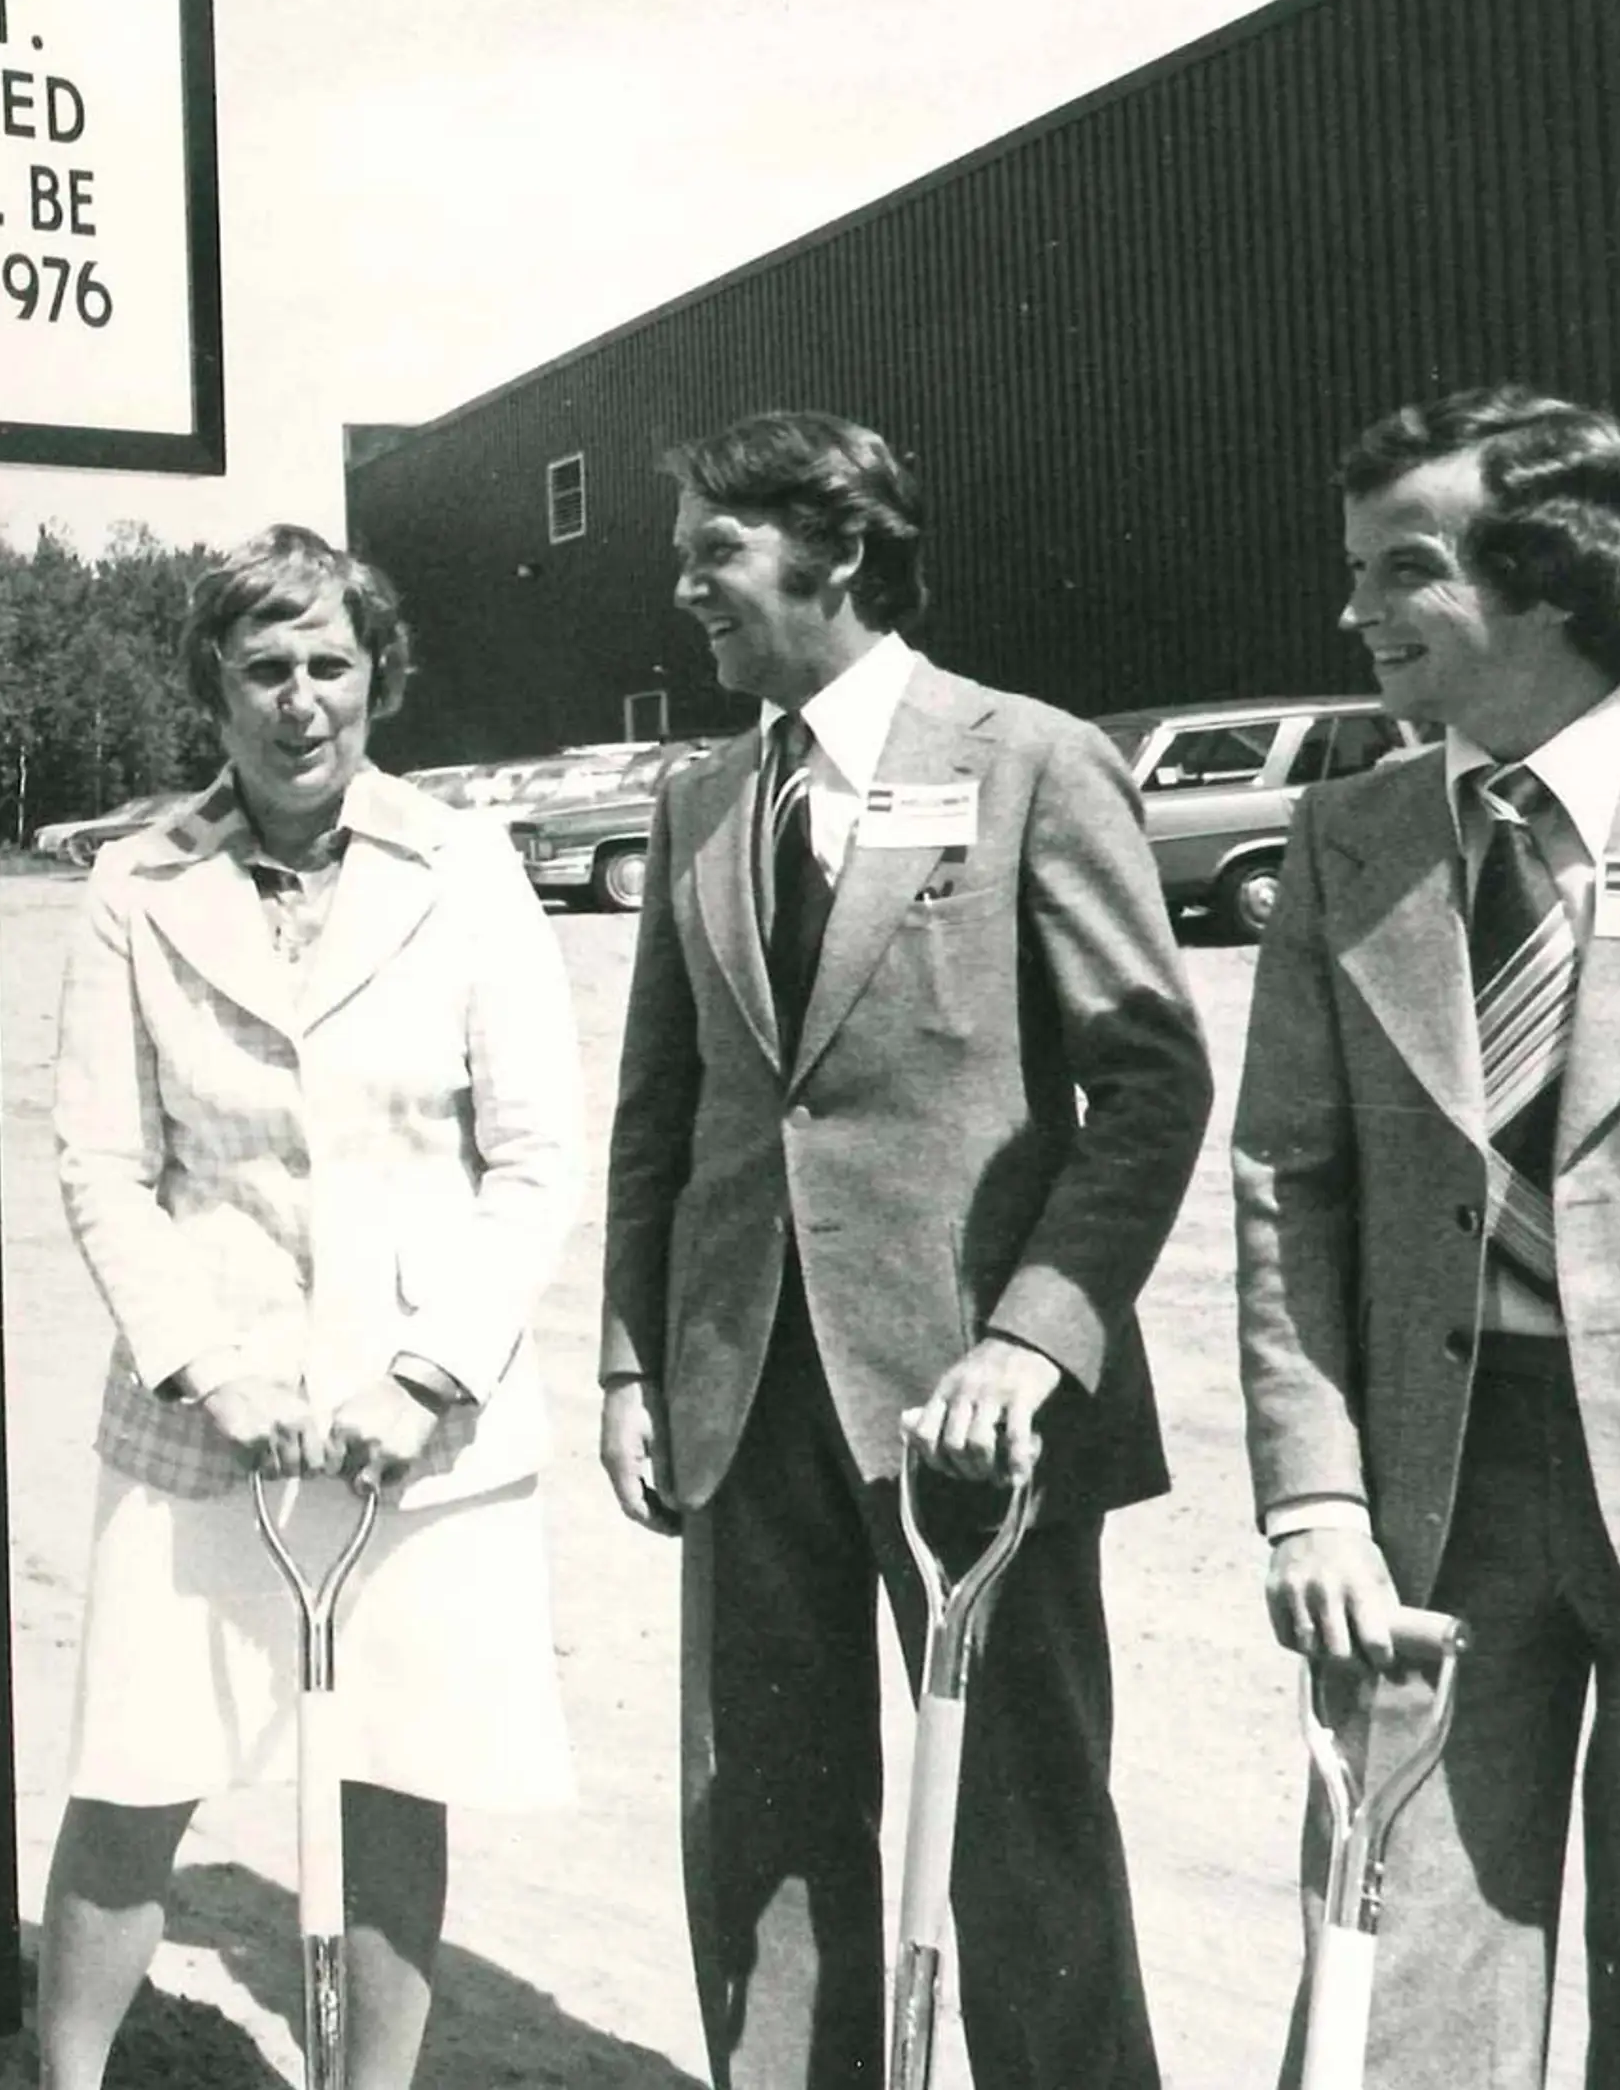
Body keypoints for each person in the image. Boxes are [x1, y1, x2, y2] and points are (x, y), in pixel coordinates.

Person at [1230, 385, 1620, 2087]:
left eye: (1399, 568)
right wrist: (1315, 1495)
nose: (1355, 610)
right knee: (1396, 1989)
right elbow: (1289, 1179)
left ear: (1554, 576)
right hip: (1438, 1493)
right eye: (1354, 568)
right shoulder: (1347, 840)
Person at [596, 409, 1206, 2090]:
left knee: (1021, 1834)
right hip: (743, 1390)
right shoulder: (702, 795)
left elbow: (1151, 1087)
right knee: (764, 1826)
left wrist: (1034, 1337)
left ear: (838, 548)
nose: (685, 591)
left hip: (970, 1403)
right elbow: (666, 1107)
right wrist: (632, 1354)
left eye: (714, 551)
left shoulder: (1027, 755)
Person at [38, 527, 580, 2090]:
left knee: (395, 1777)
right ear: (213, 683)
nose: (299, 703)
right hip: (202, 1413)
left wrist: (425, 1373)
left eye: (329, 666)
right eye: (263, 668)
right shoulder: (136, 884)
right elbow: (100, 1162)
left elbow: (533, 1156)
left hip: (420, 1423)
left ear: (377, 681)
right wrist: (207, 1364)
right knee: (136, 1767)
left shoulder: (467, 866)